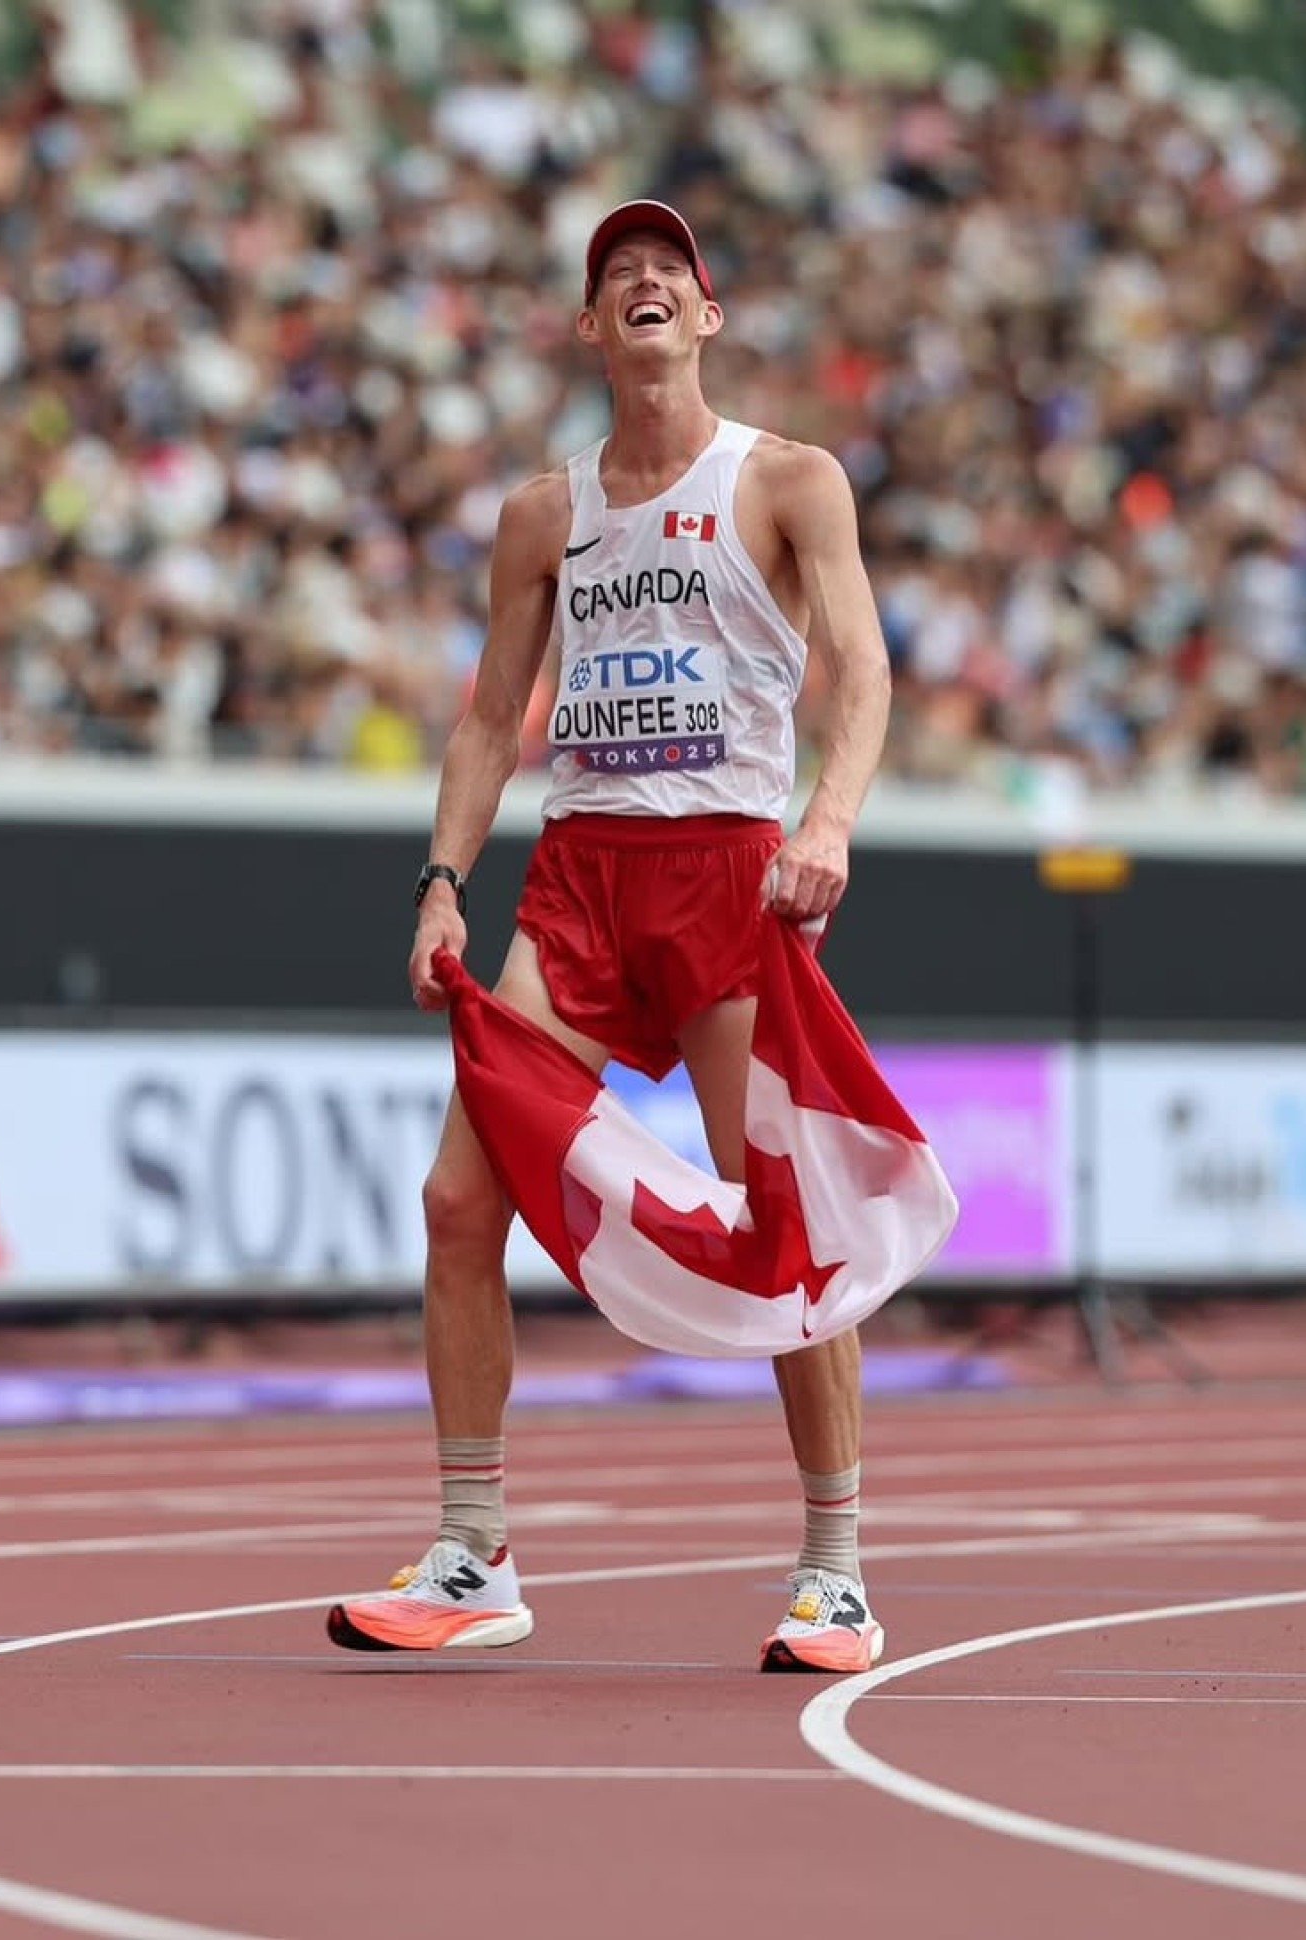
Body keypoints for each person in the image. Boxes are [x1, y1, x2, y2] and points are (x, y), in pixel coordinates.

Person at [325, 201, 895, 1672]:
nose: (642, 282)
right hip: (580, 880)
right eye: (613, 276)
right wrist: (441, 881)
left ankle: (833, 1569)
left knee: (790, 1225)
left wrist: (825, 824)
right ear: (590, 332)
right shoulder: (541, 513)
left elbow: (863, 668)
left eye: (669, 272)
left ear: (706, 317)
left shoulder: (789, 479)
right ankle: (473, 1552)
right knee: (461, 1202)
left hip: (728, 874)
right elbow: (482, 717)